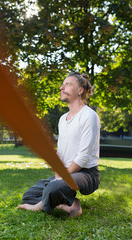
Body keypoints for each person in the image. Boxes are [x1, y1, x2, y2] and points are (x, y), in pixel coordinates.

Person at [17, 71, 100, 217]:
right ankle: (70, 205)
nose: (62, 87)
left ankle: (41, 205)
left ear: (80, 90)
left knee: (54, 187)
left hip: (86, 173)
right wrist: (58, 175)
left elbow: (84, 156)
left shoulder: (89, 116)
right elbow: (60, 153)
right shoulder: (63, 119)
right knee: (29, 195)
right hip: (64, 174)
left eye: (67, 84)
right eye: (62, 84)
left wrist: (61, 178)